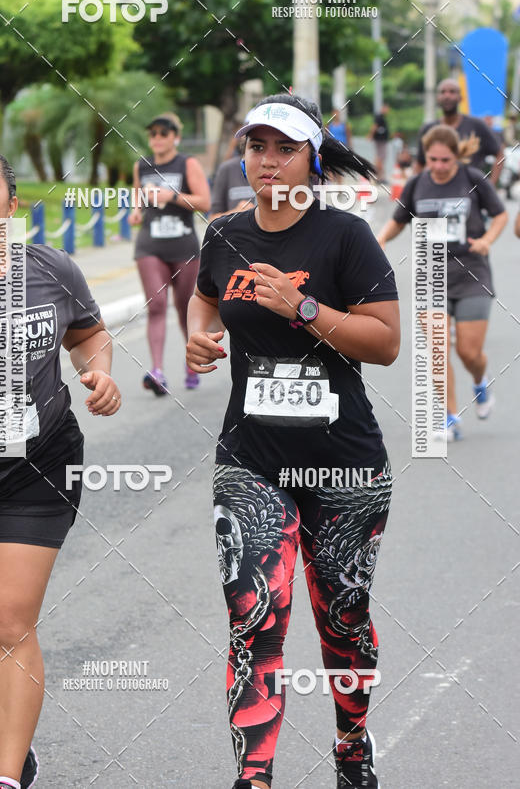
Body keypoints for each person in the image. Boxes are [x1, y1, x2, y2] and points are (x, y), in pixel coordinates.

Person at [186, 94, 400, 789]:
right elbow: (207, 293)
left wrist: (304, 308)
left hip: (344, 465)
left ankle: (351, 742)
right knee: (254, 615)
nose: (268, 161)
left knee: (343, 615)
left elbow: (386, 342)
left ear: (312, 156)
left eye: (284, 148)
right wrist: (199, 331)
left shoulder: (345, 237)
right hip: (251, 459)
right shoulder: (223, 234)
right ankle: (254, 778)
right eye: (256, 147)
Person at [0, 145, 121, 789]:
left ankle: (8, 777)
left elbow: (88, 332)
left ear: (12, 202)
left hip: (36, 462)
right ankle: (17, 730)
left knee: (6, 616)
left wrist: (98, 372)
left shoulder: (51, 268)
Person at [377, 125, 508, 440]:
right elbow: (397, 222)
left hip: (472, 274)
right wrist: (376, 243)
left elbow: (500, 215)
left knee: (468, 351)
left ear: (456, 157)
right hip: (431, 276)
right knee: (437, 350)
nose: (438, 166)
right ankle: (450, 417)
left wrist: (488, 239)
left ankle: (480, 380)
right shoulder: (416, 184)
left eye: (445, 160)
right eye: (433, 159)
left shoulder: (473, 179)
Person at [128, 112, 211, 394]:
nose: (158, 139)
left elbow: (204, 201)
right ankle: (157, 371)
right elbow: (138, 200)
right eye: (153, 134)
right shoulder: (141, 165)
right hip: (150, 244)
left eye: (164, 133)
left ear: (175, 136)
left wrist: (171, 196)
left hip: (183, 246)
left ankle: (192, 363)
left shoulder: (186, 163)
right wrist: (136, 213)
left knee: (185, 308)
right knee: (156, 305)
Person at [415, 78, 504, 183]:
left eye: (452, 92)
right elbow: (419, 164)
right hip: (438, 193)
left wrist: (490, 186)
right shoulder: (428, 129)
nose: (447, 96)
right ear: (438, 98)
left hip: (471, 193)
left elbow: (500, 155)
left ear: (460, 98)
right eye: (443, 92)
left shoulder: (477, 126)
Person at [209, 147, 256, 221]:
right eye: (256, 147)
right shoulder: (227, 169)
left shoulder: (276, 169)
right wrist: (236, 213)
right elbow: (212, 220)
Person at [326, 110, 353, 184]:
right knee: (330, 168)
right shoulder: (329, 125)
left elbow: (348, 136)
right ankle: (330, 185)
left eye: (337, 113)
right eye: (334, 113)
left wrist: (349, 148)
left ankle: (340, 187)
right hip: (332, 148)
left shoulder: (344, 125)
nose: (336, 115)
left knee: (339, 169)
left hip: (341, 148)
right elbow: (326, 136)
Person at [367, 105, 390, 182]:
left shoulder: (382, 117)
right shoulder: (379, 117)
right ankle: (379, 176)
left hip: (382, 140)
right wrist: (370, 135)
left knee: (380, 158)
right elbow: (374, 126)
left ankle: (379, 176)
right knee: (380, 158)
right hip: (380, 140)